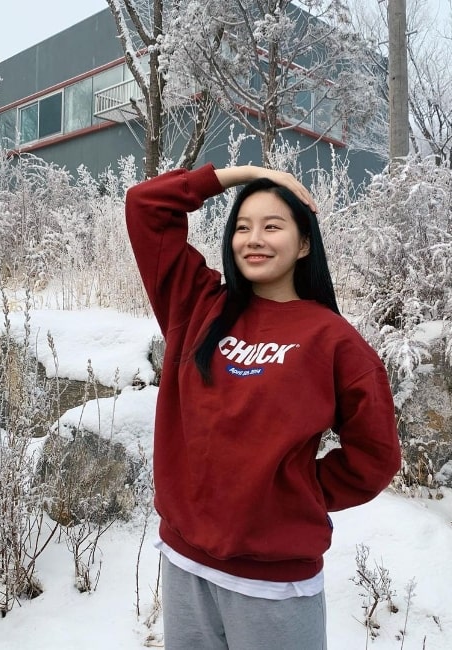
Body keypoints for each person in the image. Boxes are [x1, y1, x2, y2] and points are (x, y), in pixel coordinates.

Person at [125, 163, 401, 650]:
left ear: (304, 244)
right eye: (242, 227)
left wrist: (301, 492)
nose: (254, 239)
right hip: (186, 563)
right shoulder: (197, 307)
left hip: (274, 584)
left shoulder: (333, 339)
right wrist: (247, 173)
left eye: (273, 226)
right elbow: (147, 205)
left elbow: (375, 455)